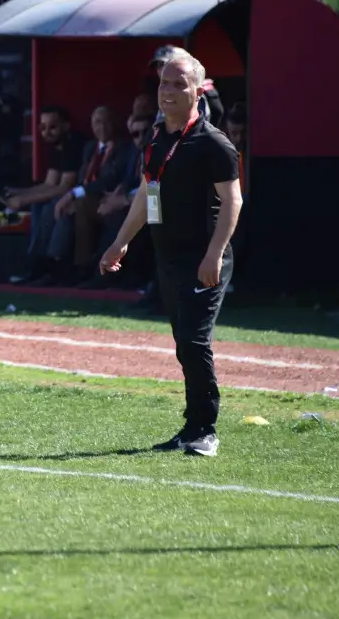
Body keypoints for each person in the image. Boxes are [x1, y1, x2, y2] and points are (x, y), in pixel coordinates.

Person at [100, 49, 242, 458]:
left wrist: (214, 254)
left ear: (198, 91)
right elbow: (148, 193)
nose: (168, 91)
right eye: (164, 82)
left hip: (203, 256)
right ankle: (191, 425)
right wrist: (120, 241)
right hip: (169, 257)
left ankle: (206, 430)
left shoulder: (214, 143)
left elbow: (233, 202)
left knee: (195, 342)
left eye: (179, 83)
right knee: (184, 342)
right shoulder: (158, 136)